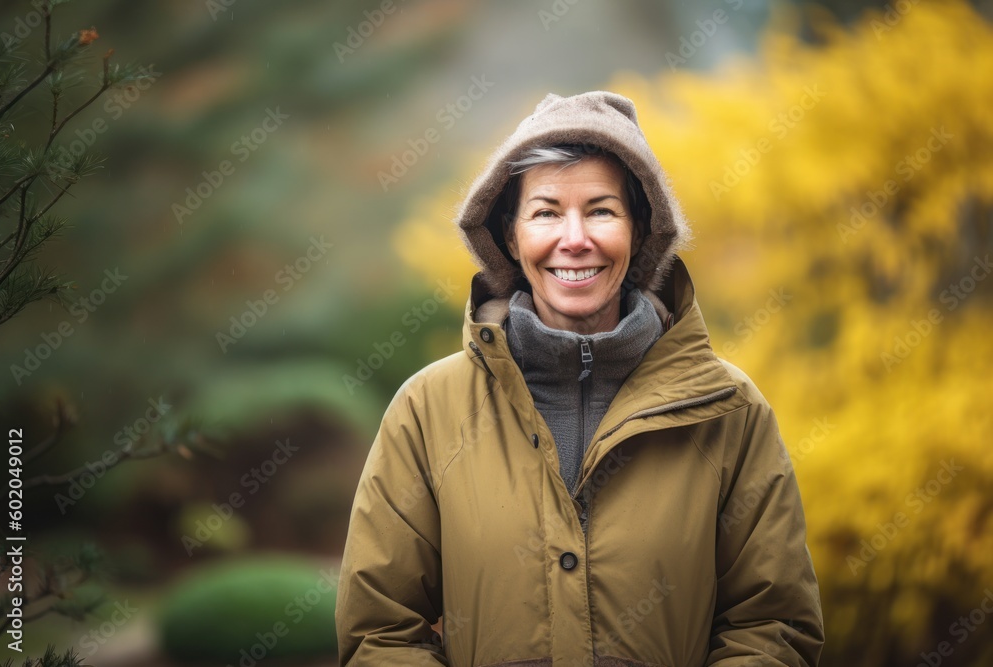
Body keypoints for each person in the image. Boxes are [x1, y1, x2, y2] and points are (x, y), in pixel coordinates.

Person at [336, 90, 824, 666]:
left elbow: (773, 626)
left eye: (601, 210)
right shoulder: (427, 410)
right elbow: (381, 632)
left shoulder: (731, 411)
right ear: (510, 238)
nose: (575, 239)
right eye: (545, 212)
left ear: (641, 231)